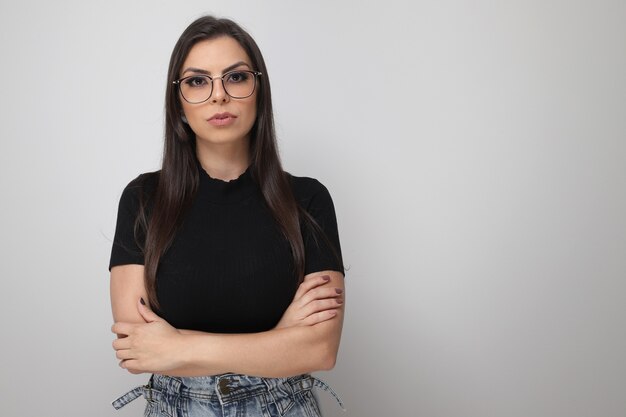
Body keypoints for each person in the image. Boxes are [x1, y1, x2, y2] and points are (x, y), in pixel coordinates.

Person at [108, 15, 345, 417]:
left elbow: (320, 349)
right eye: (198, 81)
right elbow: (139, 351)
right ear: (179, 103)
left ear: (258, 90)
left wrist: (178, 348)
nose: (218, 96)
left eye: (235, 78)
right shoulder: (144, 199)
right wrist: (280, 339)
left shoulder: (307, 199)